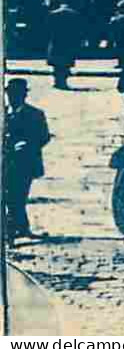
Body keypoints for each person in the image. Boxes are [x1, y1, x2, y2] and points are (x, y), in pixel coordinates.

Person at [3, 79, 51, 244]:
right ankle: (19, 229)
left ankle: (11, 233)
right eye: (10, 94)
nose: (13, 98)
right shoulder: (4, 113)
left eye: (17, 94)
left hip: (25, 164)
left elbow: (44, 136)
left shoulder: (35, 114)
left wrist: (27, 144)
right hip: (6, 163)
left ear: (24, 95)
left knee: (17, 197)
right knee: (11, 197)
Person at [45, 0, 83, 89]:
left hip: (56, 41)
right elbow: (77, 30)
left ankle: (57, 81)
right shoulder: (74, 14)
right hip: (68, 42)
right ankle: (63, 82)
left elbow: (48, 28)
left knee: (56, 65)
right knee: (65, 64)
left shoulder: (53, 14)